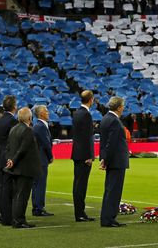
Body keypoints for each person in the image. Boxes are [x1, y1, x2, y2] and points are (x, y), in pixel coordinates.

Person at [4, 108, 41, 229]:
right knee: (22, 196)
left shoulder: (13, 129)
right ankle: (19, 220)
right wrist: (13, 160)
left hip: (15, 168)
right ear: (30, 118)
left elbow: (8, 148)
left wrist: (10, 159)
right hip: (25, 168)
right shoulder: (28, 131)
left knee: (17, 195)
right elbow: (23, 149)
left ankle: (16, 219)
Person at [99, 96, 130, 227]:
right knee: (114, 190)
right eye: (122, 106)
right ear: (118, 107)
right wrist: (106, 159)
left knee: (109, 189)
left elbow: (104, 142)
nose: (123, 108)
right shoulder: (115, 122)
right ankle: (109, 218)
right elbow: (111, 143)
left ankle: (106, 217)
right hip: (116, 161)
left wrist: (103, 158)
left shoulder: (105, 119)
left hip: (111, 159)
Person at [72, 90, 96, 222]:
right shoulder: (86, 114)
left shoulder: (76, 113)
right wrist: (89, 155)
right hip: (83, 155)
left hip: (77, 153)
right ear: (91, 99)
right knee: (81, 185)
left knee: (77, 183)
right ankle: (80, 213)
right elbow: (86, 136)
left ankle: (79, 212)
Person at [0, 95, 18, 226]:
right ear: (14, 106)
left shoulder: (0, 121)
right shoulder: (12, 121)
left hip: (0, 157)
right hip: (9, 158)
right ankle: (9, 218)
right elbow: (13, 141)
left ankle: (5, 216)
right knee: (10, 190)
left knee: (4, 188)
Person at [31, 105, 54, 217]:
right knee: (40, 184)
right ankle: (39, 208)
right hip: (41, 159)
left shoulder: (38, 126)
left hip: (37, 159)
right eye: (46, 111)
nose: (48, 112)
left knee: (37, 184)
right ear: (40, 114)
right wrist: (50, 156)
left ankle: (37, 207)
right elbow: (46, 144)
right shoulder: (40, 126)